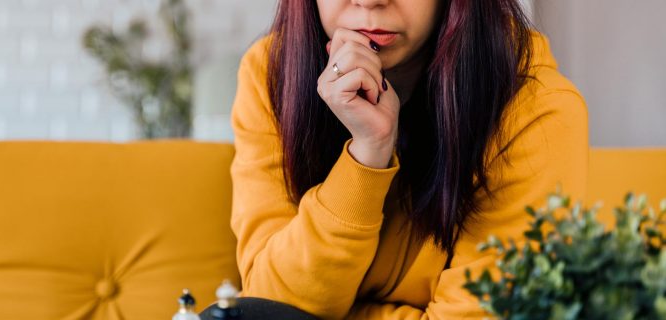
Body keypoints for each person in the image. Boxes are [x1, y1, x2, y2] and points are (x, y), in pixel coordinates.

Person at [227, 0, 588, 318]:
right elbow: (265, 304)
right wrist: (368, 154)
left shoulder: (537, 110)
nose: (369, 2)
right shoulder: (272, 74)